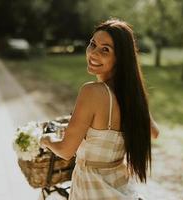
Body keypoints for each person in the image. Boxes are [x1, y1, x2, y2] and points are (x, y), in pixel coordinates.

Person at [40, 18, 159, 200]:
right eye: (92, 44)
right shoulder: (132, 96)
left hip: (91, 189)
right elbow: (154, 132)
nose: (93, 54)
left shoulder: (92, 92)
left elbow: (65, 151)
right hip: (120, 186)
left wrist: (46, 140)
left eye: (105, 50)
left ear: (121, 58)